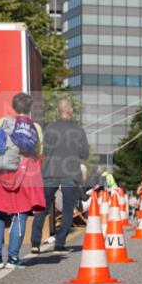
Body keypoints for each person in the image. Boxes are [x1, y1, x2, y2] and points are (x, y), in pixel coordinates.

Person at [0, 92, 46, 269]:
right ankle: (14, 258)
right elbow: (38, 154)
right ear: (29, 108)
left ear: (13, 107)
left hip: (2, 173)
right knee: (20, 214)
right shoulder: (35, 128)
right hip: (25, 175)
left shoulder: (1, 122)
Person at [30, 98, 89, 254]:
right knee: (68, 208)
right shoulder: (78, 129)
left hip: (50, 172)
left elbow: (43, 151)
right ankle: (60, 243)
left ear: (58, 111)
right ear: (71, 111)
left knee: (42, 207)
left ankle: (35, 243)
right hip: (70, 173)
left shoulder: (49, 128)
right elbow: (85, 154)